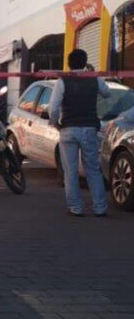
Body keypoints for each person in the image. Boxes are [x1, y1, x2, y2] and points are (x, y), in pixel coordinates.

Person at [49, 49, 110, 217]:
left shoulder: (62, 81)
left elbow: (53, 108)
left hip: (68, 129)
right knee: (93, 169)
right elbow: (107, 93)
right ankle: (100, 207)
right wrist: (94, 74)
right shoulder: (94, 78)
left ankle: (75, 207)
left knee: (70, 171)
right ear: (85, 62)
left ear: (68, 64)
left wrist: (56, 124)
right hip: (90, 128)